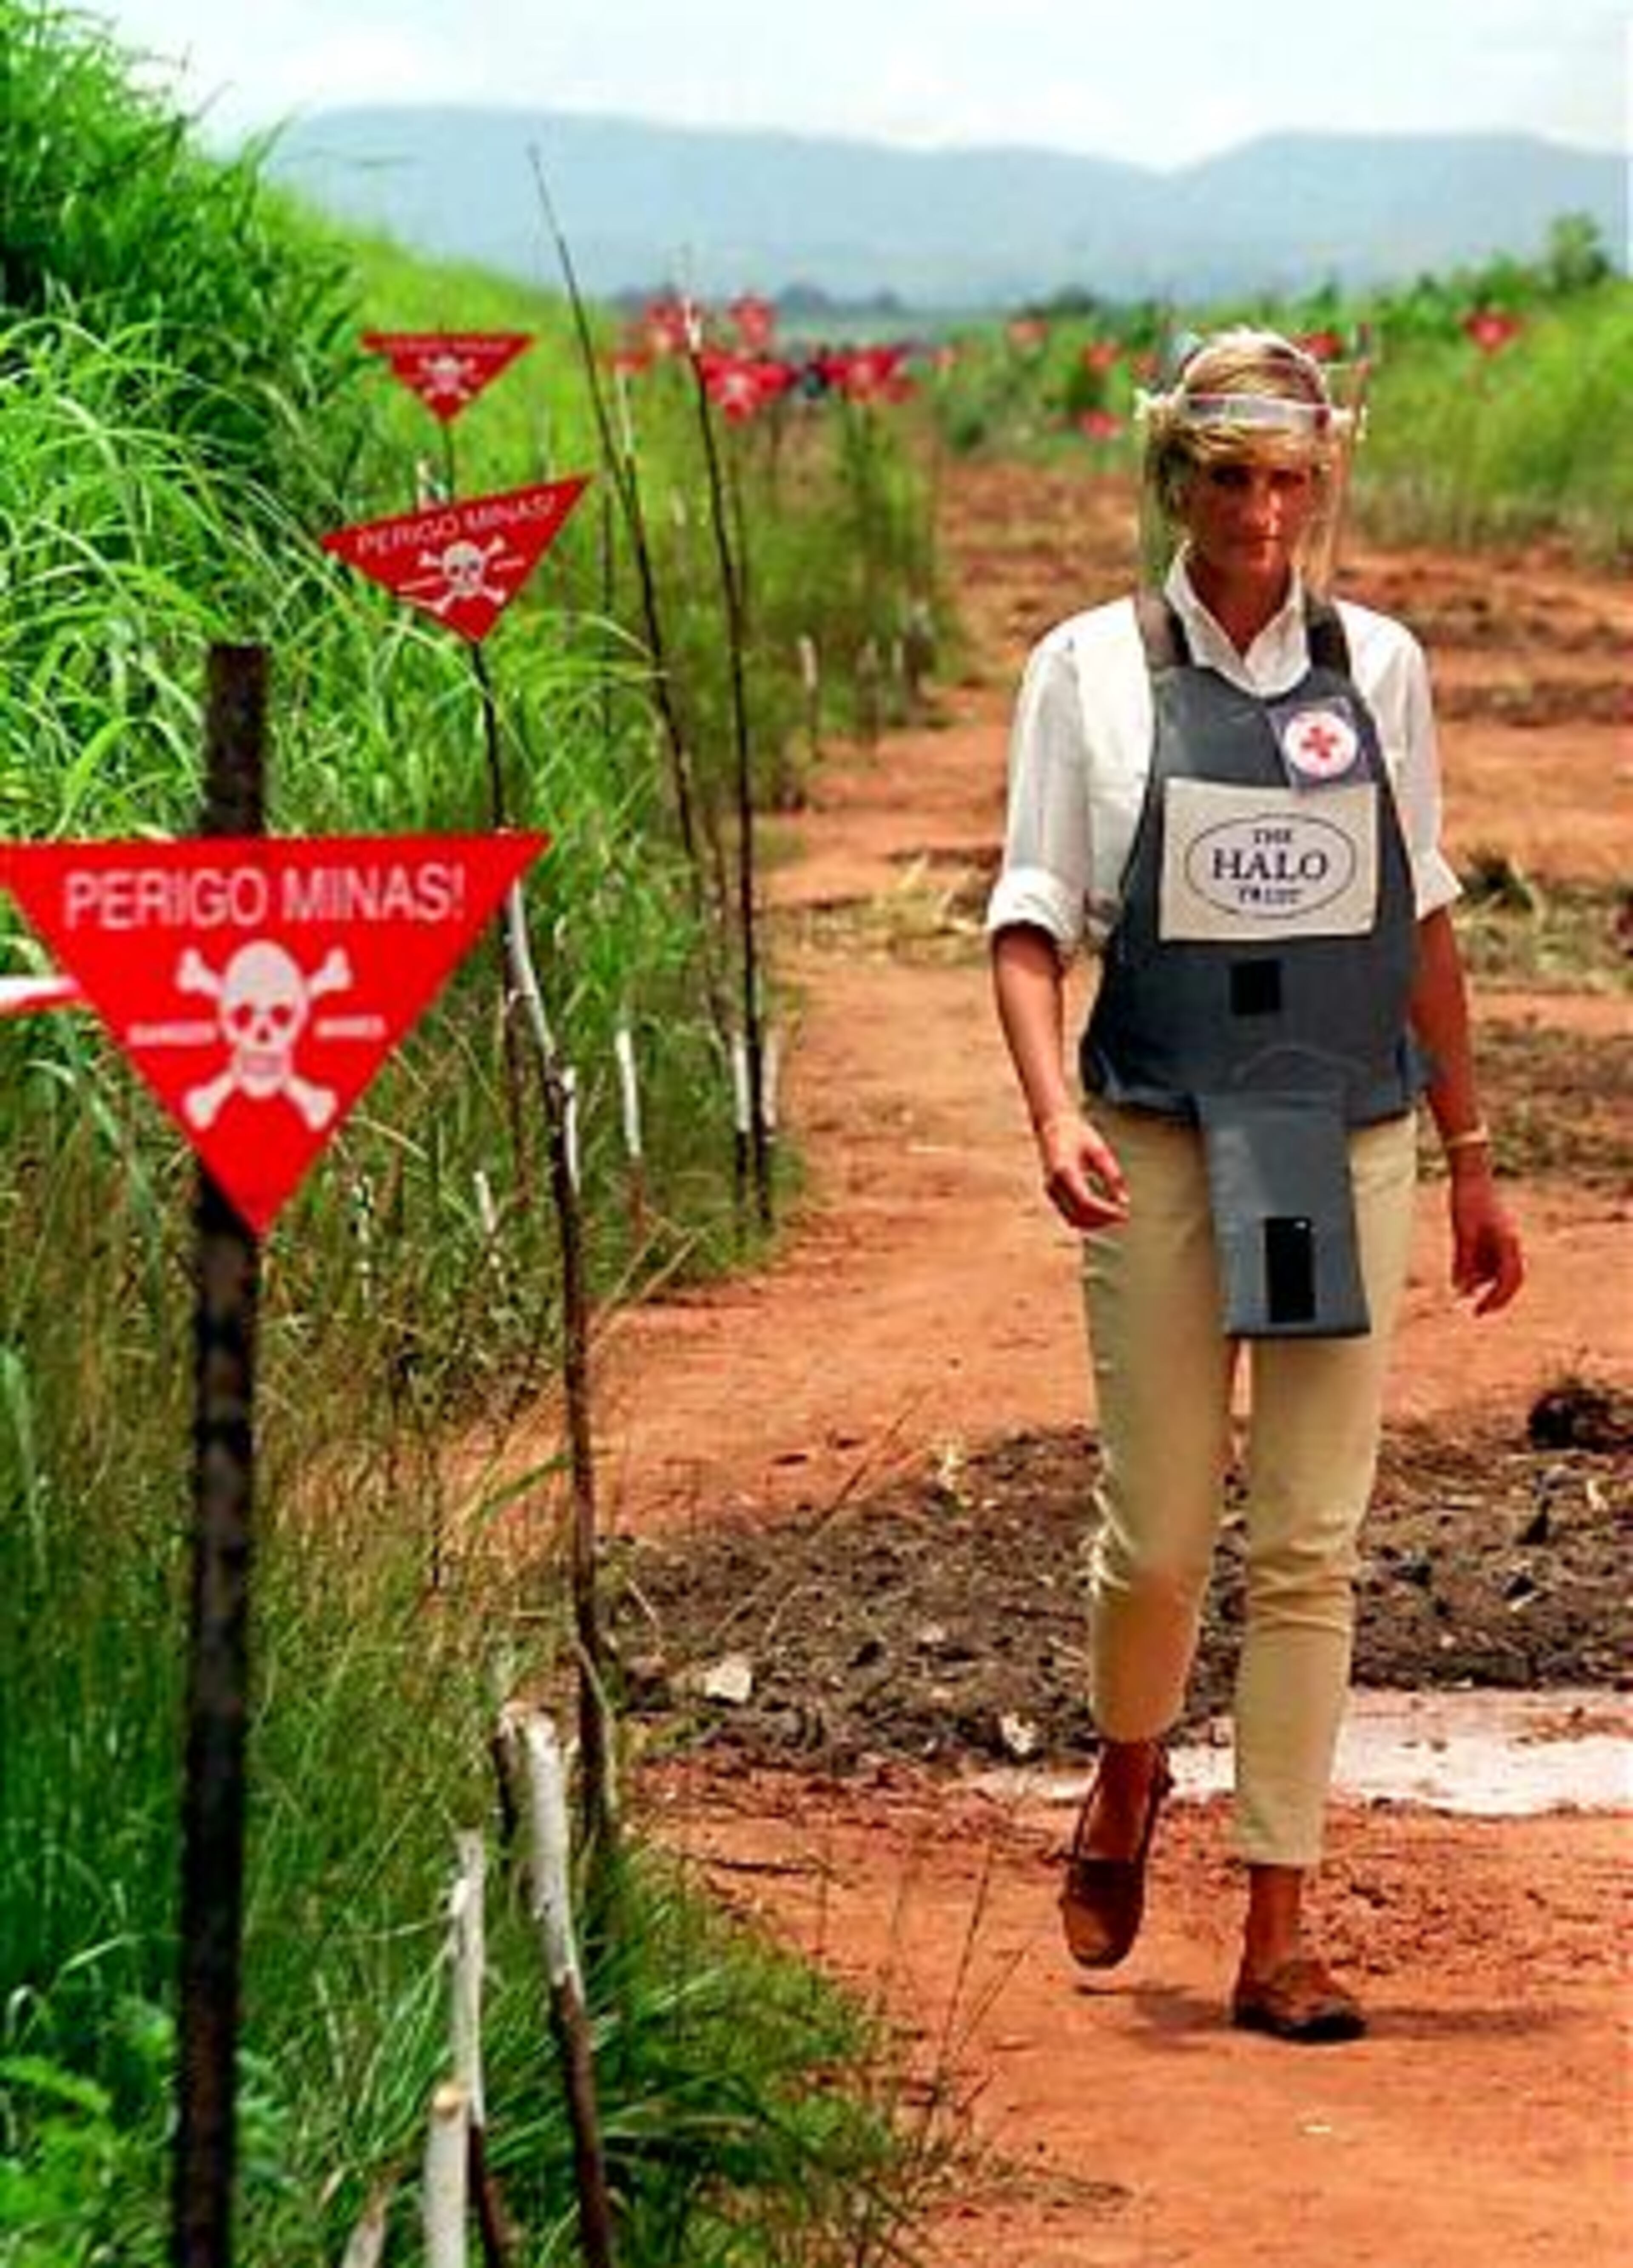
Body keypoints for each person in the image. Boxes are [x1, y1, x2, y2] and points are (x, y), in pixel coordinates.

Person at [987, 327, 1523, 2043]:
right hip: (1152, 1131)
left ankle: (1279, 1919)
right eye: (1230, 476)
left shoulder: (1385, 671)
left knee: (1309, 1540)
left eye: (1291, 478)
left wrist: (1471, 1153)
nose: (1263, 512)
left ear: (1323, 483)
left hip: (1336, 1136)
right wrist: (1047, 1107)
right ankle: (1130, 1761)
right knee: (1158, 1539)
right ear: (1174, 480)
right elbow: (1028, 920)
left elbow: (1420, 919)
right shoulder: (1086, 670)